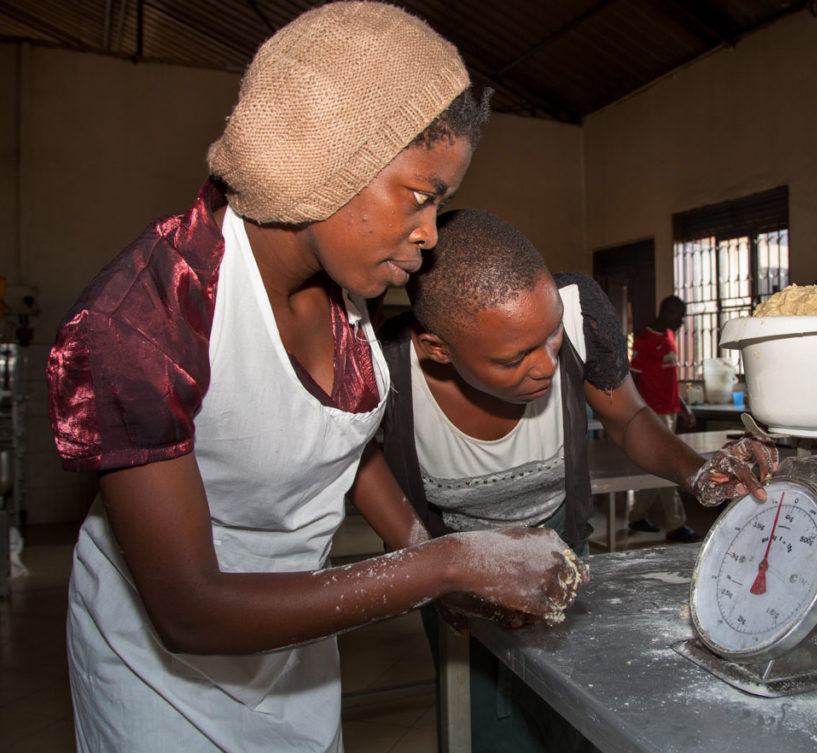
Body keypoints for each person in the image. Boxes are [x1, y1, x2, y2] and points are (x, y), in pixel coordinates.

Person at [45, 5, 586, 752]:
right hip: (162, 678)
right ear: (329, 157)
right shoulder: (147, 320)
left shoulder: (353, 292)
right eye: (420, 196)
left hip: (294, 638)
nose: (430, 235)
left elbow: (341, 440)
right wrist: (444, 563)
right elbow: (189, 610)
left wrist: (434, 560)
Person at [379, 209, 778, 752]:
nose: (545, 366)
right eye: (514, 357)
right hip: (452, 566)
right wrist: (439, 576)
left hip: (562, 548)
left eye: (549, 339)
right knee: (494, 733)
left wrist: (696, 471)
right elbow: (363, 470)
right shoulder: (385, 364)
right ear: (438, 350)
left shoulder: (577, 312)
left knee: (579, 720)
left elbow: (630, 417)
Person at [628, 295, 702, 542]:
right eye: (679, 315)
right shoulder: (645, 339)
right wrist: (638, 414)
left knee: (655, 466)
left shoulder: (669, 336)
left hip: (670, 411)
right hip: (654, 413)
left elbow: (669, 379)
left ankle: (637, 515)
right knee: (667, 466)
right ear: (667, 312)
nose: (682, 321)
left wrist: (683, 407)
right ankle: (675, 523)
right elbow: (634, 379)